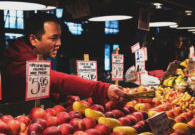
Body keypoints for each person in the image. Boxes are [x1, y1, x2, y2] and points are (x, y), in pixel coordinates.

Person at [1, 13, 130, 104]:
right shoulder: (18, 62)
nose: (59, 43)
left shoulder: (29, 56)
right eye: (53, 38)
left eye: (60, 37)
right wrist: (103, 89)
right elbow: (59, 81)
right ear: (33, 39)